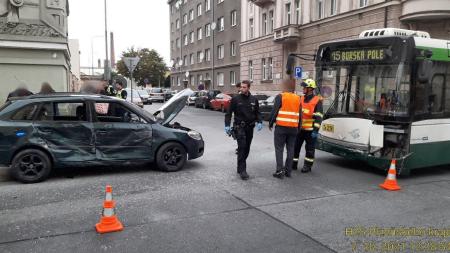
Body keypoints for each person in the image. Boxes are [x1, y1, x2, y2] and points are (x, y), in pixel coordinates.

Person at [225, 80, 263, 180]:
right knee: (242, 147)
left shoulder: (254, 99)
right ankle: (243, 170)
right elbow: (228, 113)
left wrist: (259, 121)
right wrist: (227, 125)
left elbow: (257, 112)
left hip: (250, 127)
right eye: (241, 87)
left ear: (248, 88)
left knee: (247, 148)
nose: (241, 89)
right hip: (239, 127)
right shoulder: (235, 99)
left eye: (244, 87)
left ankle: (239, 166)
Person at [269, 79, 300, 179]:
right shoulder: (298, 98)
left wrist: (270, 123)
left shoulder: (280, 96)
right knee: (291, 149)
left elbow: (274, 111)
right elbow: (301, 115)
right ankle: (288, 171)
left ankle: (279, 171)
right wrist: (298, 127)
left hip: (281, 128)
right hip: (293, 128)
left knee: (279, 149)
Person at [292, 79, 323, 173]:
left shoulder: (317, 100)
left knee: (309, 149)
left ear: (310, 88)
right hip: (300, 129)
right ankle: (293, 164)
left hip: (310, 130)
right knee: (295, 147)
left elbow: (319, 116)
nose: (303, 88)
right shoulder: (301, 98)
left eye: (305, 87)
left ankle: (307, 166)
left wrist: (315, 130)